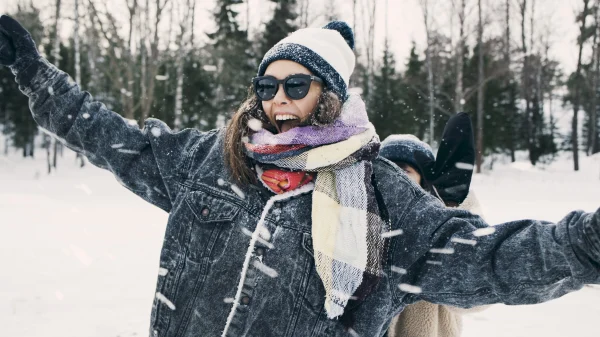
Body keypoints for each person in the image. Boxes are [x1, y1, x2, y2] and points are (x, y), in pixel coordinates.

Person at [1, 15, 600, 337]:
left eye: (296, 85)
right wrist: (35, 74)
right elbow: (114, 138)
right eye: (267, 85)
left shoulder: (378, 195)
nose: (277, 100)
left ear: (330, 96)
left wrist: (584, 243)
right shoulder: (216, 160)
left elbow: (487, 259)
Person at [380, 113, 487, 337]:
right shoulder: (358, 220)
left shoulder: (445, 221)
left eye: (404, 170)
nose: (394, 177)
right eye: (385, 169)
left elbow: (477, 296)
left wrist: (451, 208)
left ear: (424, 180)